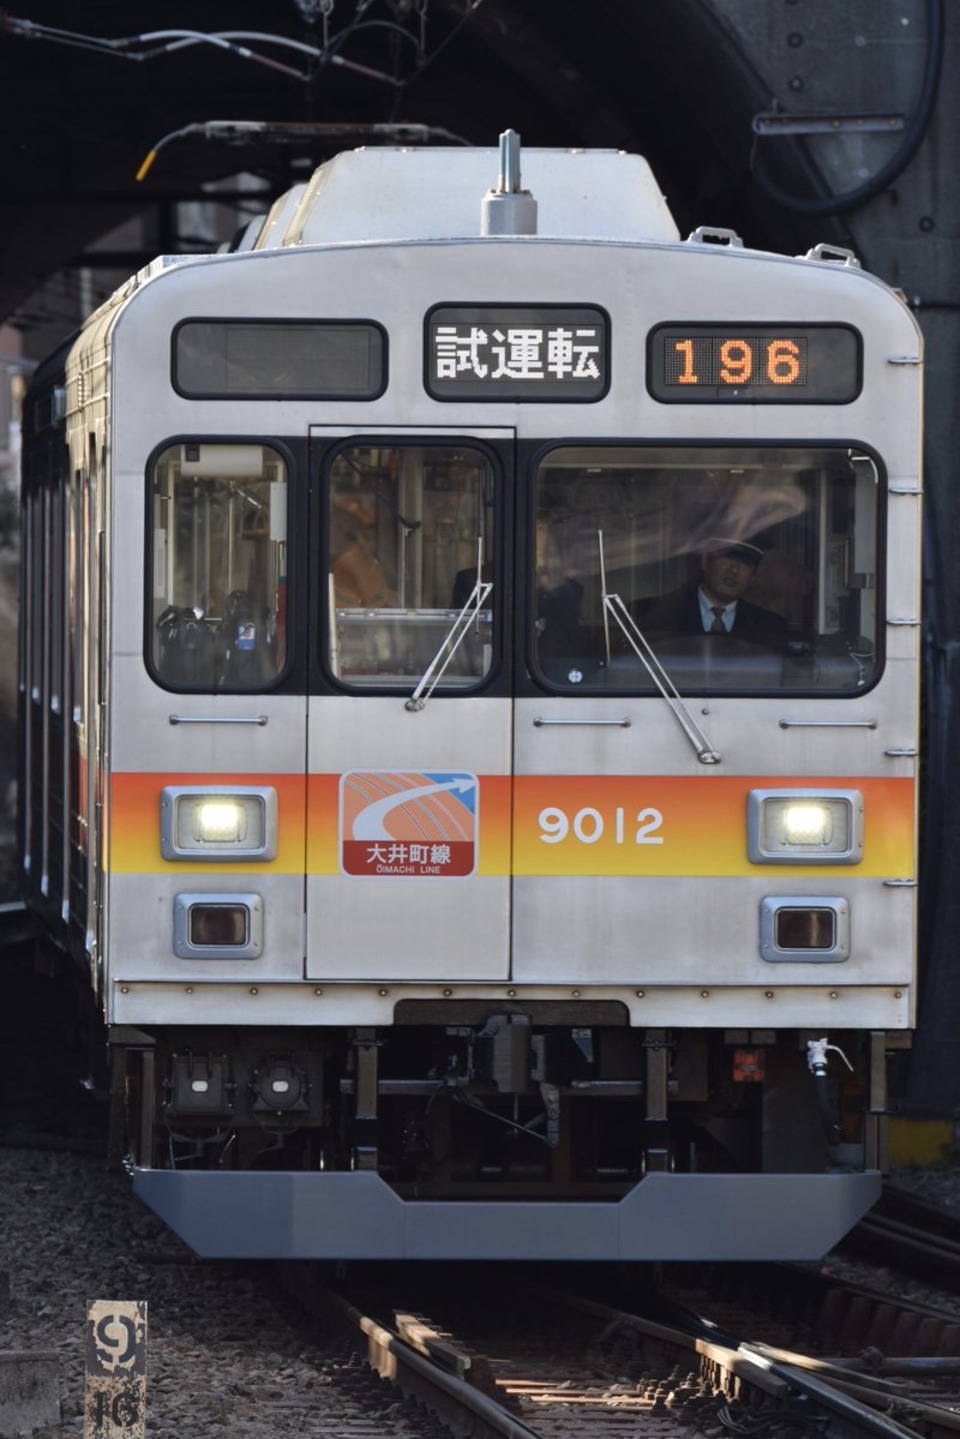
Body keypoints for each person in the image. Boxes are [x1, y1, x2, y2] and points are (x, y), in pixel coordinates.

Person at [636, 537, 787, 637]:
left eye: (746, 563)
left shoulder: (771, 627)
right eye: (728, 557)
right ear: (704, 561)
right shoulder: (651, 614)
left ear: (753, 575)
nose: (734, 570)